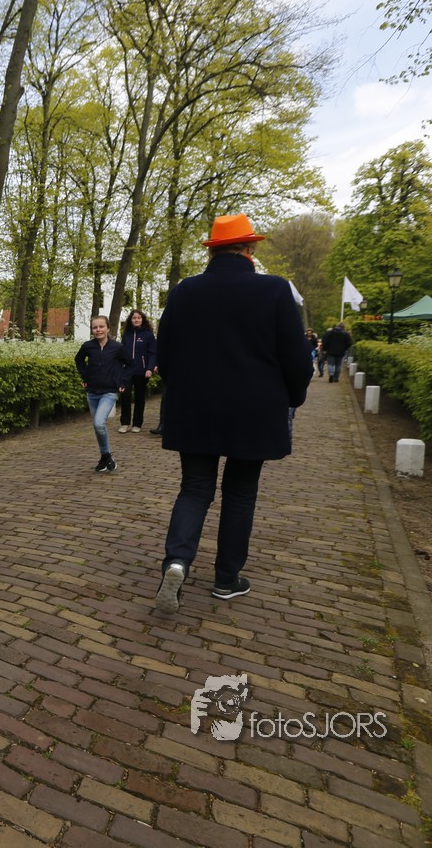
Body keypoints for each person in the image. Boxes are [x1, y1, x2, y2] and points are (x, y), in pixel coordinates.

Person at [152, 214, 311, 614]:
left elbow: (164, 355)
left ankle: (176, 561)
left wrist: (184, 391)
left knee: (194, 488)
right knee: (240, 493)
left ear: (213, 250)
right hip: (254, 409)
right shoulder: (275, 290)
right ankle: (226, 579)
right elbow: (297, 359)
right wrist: (292, 397)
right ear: (250, 248)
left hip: (195, 409)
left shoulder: (184, 291)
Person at [74, 315, 132, 473]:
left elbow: (130, 364)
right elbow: (79, 360)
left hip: (109, 392)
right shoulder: (88, 346)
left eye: (101, 327)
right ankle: (105, 457)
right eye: (95, 327)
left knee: (99, 423)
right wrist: (85, 376)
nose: (98, 330)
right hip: (92, 392)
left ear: (108, 328)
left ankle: (106, 455)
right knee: (97, 426)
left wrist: (122, 381)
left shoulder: (117, 347)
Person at [118, 310, 157, 433]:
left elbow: (152, 353)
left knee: (139, 397)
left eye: (139, 318)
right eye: (134, 318)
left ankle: (137, 423)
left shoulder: (148, 334)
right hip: (127, 371)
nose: (136, 320)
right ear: (130, 320)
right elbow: (122, 351)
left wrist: (149, 368)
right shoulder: (126, 334)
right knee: (125, 395)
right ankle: (125, 423)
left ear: (142, 319)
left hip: (142, 370)